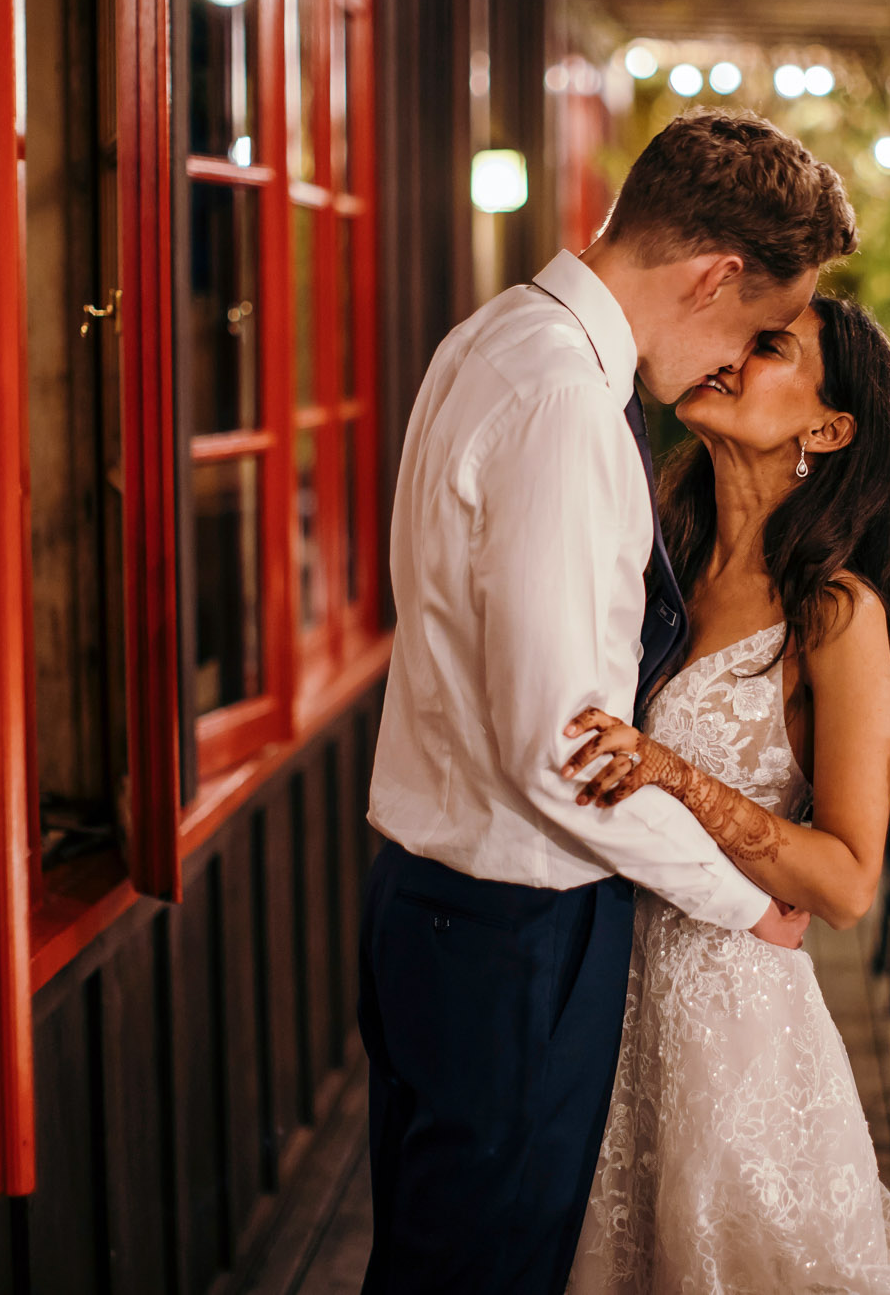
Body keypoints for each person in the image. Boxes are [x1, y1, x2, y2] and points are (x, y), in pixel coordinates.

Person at [361, 107, 858, 1294]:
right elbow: (564, 754)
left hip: (428, 905)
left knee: (432, 1256)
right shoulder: (566, 407)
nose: (731, 363)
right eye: (754, 326)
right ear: (715, 274)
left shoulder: (490, 340)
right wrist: (739, 900)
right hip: (513, 932)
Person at [559, 294, 890, 1294]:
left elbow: (848, 883)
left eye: (768, 347)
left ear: (827, 427)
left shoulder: (833, 613)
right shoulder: (660, 559)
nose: (729, 353)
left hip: (728, 1028)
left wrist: (677, 774)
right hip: (604, 992)